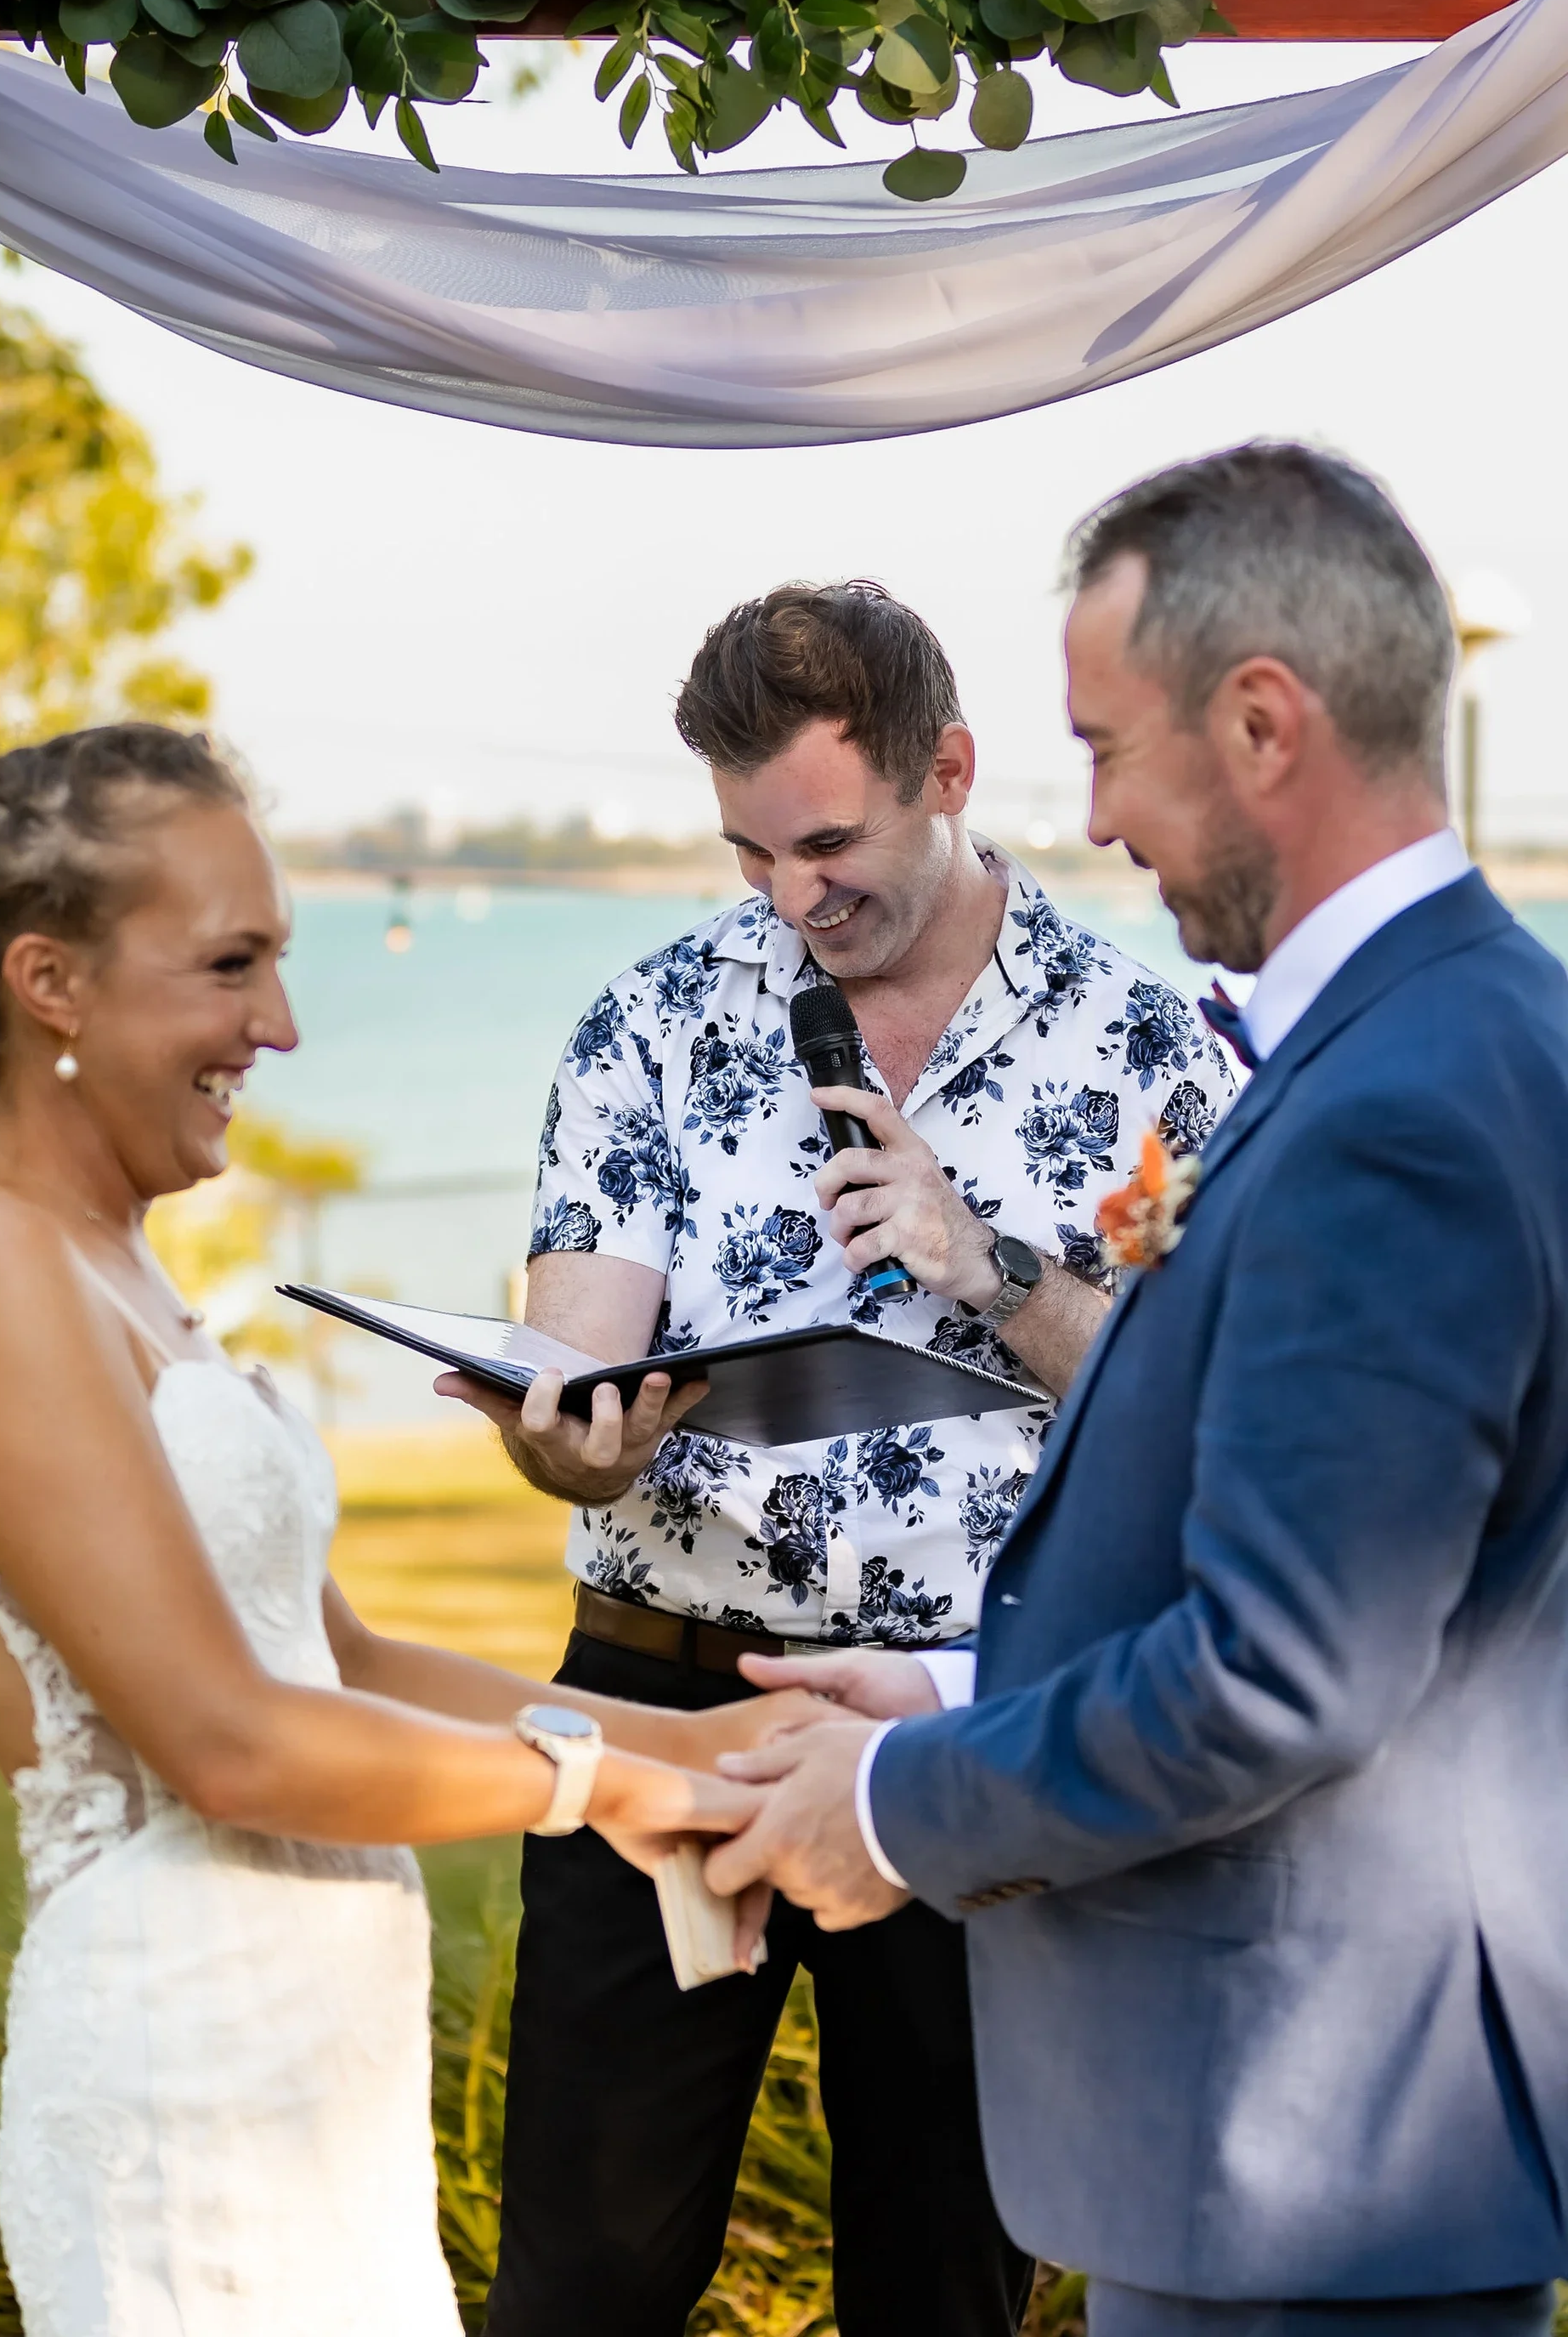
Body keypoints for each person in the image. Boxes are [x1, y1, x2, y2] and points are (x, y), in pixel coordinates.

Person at [710, 446, 1568, 2337]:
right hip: (1288, 2130)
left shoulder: (1404, 1104)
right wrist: (958, 1679)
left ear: (1262, 725)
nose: (1092, 818)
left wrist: (903, 1796)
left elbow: (1285, 1665)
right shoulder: (1439, 1029)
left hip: (1315, 2132)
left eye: (1108, 748)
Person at [0, 723, 814, 2337]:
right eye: (230, 966)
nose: (278, 1024)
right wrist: (608, 1784)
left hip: (303, 2074)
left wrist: (710, 1744)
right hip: (182, 2068)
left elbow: (339, 1656)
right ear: (48, 981)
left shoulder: (117, 1263)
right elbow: (232, 1743)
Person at [439, 581, 1237, 2337]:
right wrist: (573, 1442)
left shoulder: (1146, 1046)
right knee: (579, 2287)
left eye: (827, 844)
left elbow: (1205, 1410)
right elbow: (581, 1343)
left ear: (946, 767)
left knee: (946, 2288)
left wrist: (986, 1264)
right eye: (750, 858)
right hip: (669, 1720)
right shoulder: (645, 1020)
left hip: (977, 1720)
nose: (794, 903)